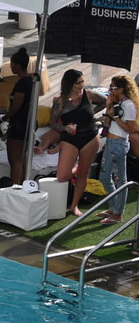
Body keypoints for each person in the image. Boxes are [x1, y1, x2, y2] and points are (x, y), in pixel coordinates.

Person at [37, 69, 106, 217]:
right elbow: (52, 122)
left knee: (83, 173)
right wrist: (65, 129)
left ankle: (74, 206)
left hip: (90, 137)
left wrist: (91, 114)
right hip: (70, 139)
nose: (81, 85)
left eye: (82, 81)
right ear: (69, 84)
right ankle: (75, 169)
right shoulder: (60, 101)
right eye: (78, 83)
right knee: (62, 176)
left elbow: (105, 102)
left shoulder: (88, 94)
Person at [97, 74, 138, 225]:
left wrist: (116, 117)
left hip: (119, 144)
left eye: (113, 87)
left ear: (121, 89)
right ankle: (113, 207)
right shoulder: (117, 103)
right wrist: (109, 106)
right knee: (104, 177)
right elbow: (107, 124)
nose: (110, 89)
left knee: (120, 180)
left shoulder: (128, 105)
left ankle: (118, 214)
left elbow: (130, 129)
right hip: (110, 143)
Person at [2, 49, 34, 184]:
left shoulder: (22, 83)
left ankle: (15, 187)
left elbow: (16, 106)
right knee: (22, 158)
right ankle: (22, 185)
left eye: (11, 64)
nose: (11, 67)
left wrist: (4, 117)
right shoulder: (31, 81)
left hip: (19, 124)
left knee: (15, 159)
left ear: (17, 65)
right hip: (27, 123)